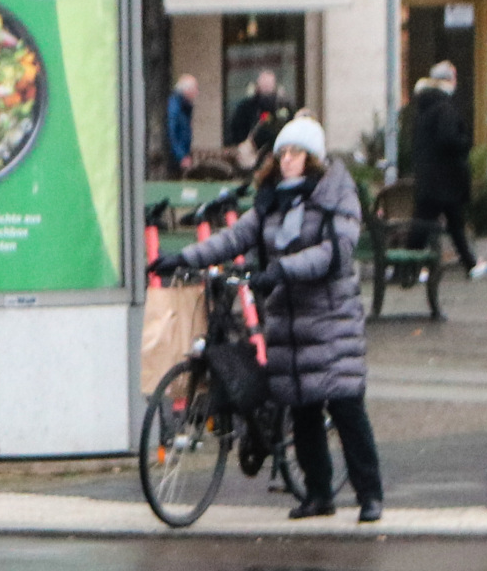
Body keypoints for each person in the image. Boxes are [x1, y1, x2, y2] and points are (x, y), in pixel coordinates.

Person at [155, 115, 384, 523]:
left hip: (330, 316)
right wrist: (184, 258)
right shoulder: (272, 199)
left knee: (346, 406)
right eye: (282, 154)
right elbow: (236, 236)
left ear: (313, 158)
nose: (287, 161)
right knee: (303, 407)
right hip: (287, 318)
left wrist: (283, 269)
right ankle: (318, 494)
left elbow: (336, 251)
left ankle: (370, 494)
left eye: (295, 153)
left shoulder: (335, 196)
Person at [411, 60, 482, 276]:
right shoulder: (444, 108)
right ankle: (405, 268)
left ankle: (469, 263)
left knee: (437, 223)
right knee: (441, 224)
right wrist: (465, 142)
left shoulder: (424, 106)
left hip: (431, 177)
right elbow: (449, 139)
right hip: (445, 178)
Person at [224, 69, 290, 150]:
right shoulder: (246, 107)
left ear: (275, 85)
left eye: (269, 85)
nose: (267, 88)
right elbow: (236, 130)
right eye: (264, 85)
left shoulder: (284, 107)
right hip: (252, 150)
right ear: (258, 85)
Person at [166, 73, 197, 174]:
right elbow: (172, 133)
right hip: (176, 157)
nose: (196, 93)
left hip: (182, 153)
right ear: (186, 90)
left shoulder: (184, 106)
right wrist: (181, 156)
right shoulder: (175, 107)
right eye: (194, 89)